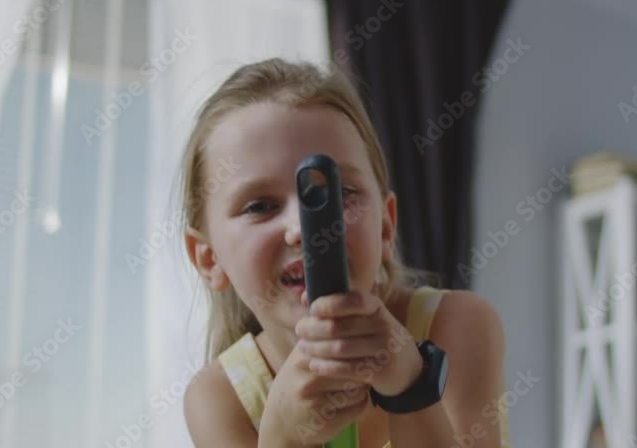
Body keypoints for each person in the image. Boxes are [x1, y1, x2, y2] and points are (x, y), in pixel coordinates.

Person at [181, 58, 510, 447]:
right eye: (259, 206)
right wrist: (282, 437)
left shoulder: (456, 325)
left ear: (385, 226)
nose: (303, 229)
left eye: (341, 192)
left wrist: (410, 388)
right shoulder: (219, 399)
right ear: (209, 258)